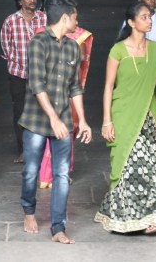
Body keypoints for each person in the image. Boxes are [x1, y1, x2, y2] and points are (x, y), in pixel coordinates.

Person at [94, 1, 156, 234]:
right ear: (131, 23)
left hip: (147, 118)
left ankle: (151, 216)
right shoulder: (118, 51)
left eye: (149, 16)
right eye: (144, 17)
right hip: (122, 116)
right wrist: (107, 121)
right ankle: (123, 218)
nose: (149, 20)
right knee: (125, 167)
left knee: (148, 167)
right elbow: (108, 87)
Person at [19, 0, 92, 244]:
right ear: (64, 18)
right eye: (75, 17)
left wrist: (82, 121)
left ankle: (58, 227)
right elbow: (36, 84)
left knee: (61, 175)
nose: (77, 22)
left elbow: (75, 87)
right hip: (36, 122)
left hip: (63, 121)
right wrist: (53, 118)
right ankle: (29, 212)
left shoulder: (73, 47)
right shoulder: (38, 43)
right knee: (31, 172)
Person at [38, 24, 93, 188]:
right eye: (74, 17)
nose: (76, 22)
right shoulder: (78, 37)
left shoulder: (41, 33)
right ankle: (57, 174)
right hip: (63, 92)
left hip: (49, 92)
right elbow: (81, 59)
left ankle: (47, 176)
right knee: (63, 131)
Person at [0, 0, 46, 163]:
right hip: (17, 73)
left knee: (41, 111)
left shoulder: (44, 18)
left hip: (40, 74)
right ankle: (23, 150)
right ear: (20, 1)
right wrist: (17, 61)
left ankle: (41, 151)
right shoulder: (10, 21)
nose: (32, 0)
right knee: (19, 112)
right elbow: (6, 47)